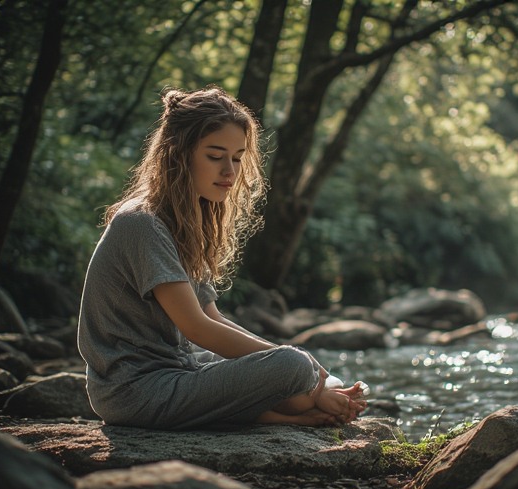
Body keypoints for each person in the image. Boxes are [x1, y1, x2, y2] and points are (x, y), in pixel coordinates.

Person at [77, 85, 366, 430]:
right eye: (215, 156)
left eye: (237, 158)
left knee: (295, 375)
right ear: (177, 155)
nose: (229, 171)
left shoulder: (183, 224)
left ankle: (285, 412)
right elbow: (197, 327)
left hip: (181, 368)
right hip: (136, 391)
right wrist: (308, 374)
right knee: (292, 370)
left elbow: (214, 317)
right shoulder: (141, 223)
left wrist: (315, 374)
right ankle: (288, 409)